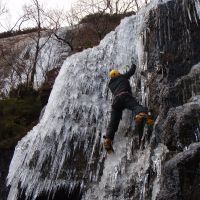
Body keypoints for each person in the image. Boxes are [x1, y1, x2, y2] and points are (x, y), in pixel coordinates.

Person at [103, 64, 152, 153]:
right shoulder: (122, 77)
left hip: (116, 102)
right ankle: (140, 114)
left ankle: (108, 139)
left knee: (113, 122)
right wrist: (133, 65)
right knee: (136, 106)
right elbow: (131, 71)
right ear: (117, 74)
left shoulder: (111, 85)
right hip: (124, 95)